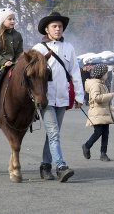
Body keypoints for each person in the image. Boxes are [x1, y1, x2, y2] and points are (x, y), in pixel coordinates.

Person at [33, 11, 85, 183]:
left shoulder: (69, 48)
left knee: (52, 134)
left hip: (62, 98)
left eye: (60, 26)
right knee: (54, 133)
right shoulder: (38, 49)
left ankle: (45, 166)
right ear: (46, 29)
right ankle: (61, 167)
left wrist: (79, 96)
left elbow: (75, 73)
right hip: (45, 99)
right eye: (54, 26)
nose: (58, 29)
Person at [82, 64, 114, 162]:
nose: (107, 75)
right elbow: (96, 98)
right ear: (101, 74)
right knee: (98, 132)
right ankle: (87, 145)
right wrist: (110, 95)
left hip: (104, 111)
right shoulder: (96, 84)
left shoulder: (102, 83)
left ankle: (103, 153)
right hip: (97, 112)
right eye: (106, 73)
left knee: (105, 133)